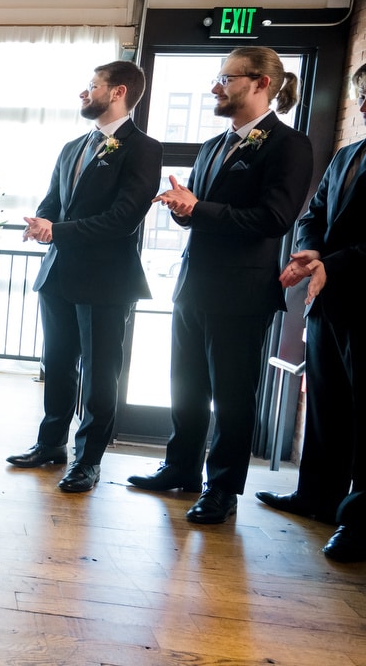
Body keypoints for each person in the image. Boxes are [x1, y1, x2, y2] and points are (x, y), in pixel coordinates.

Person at [129, 46, 313, 524]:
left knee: (232, 396)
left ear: (260, 84)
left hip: (241, 293)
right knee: (185, 386)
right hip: (193, 285)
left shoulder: (288, 145)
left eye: (227, 78)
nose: (216, 87)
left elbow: (274, 219)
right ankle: (180, 469)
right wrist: (183, 210)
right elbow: (202, 213)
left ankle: (223, 489)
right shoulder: (213, 146)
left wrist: (199, 210)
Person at [6, 61, 162, 493]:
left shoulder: (143, 149)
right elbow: (56, 199)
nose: (83, 93)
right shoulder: (74, 145)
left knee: (98, 375)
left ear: (118, 92)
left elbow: (123, 219)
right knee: (56, 364)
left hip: (106, 281)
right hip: (57, 274)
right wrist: (41, 224)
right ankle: (50, 444)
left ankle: (87, 461)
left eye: (92, 86)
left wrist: (59, 231)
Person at [254, 63, 366, 560]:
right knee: (328, 405)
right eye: (362, 95)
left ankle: (358, 521)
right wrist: (311, 252)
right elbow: (311, 214)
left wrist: (333, 263)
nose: (363, 105)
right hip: (330, 302)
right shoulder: (347, 155)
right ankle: (316, 496)